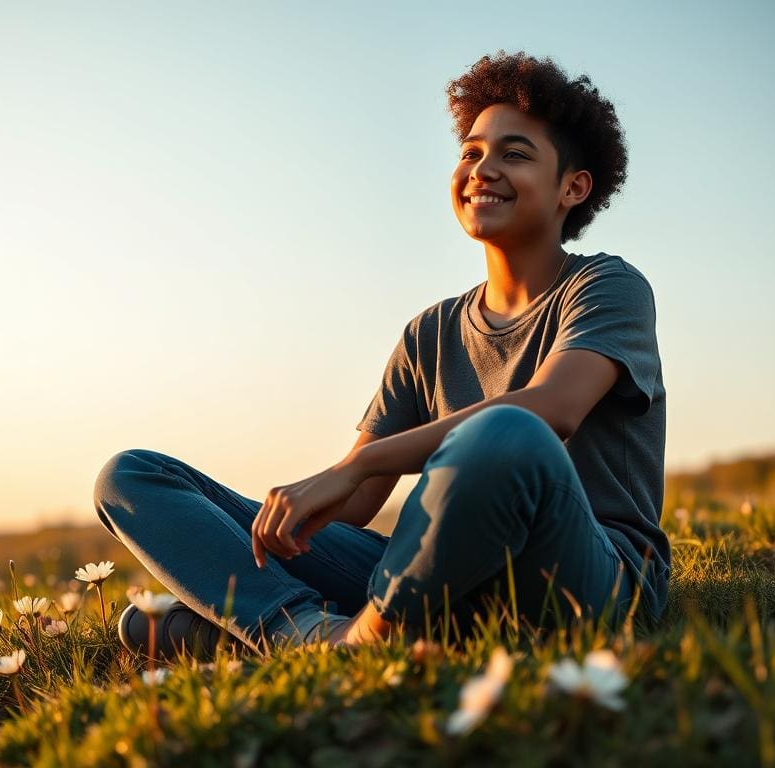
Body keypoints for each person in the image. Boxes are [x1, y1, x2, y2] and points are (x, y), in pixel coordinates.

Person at [93, 49, 670, 659]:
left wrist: (353, 467)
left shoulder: (609, 287)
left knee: (505, 433)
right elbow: (359, 506)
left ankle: (349, 634)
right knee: (131, 476)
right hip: (449, 570)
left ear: (572, 188)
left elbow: (551, 410)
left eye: (515, 153)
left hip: (591, 577)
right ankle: (305, 630)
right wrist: (263, 536)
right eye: (471, 151)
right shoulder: (431, 331)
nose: (481, 168)